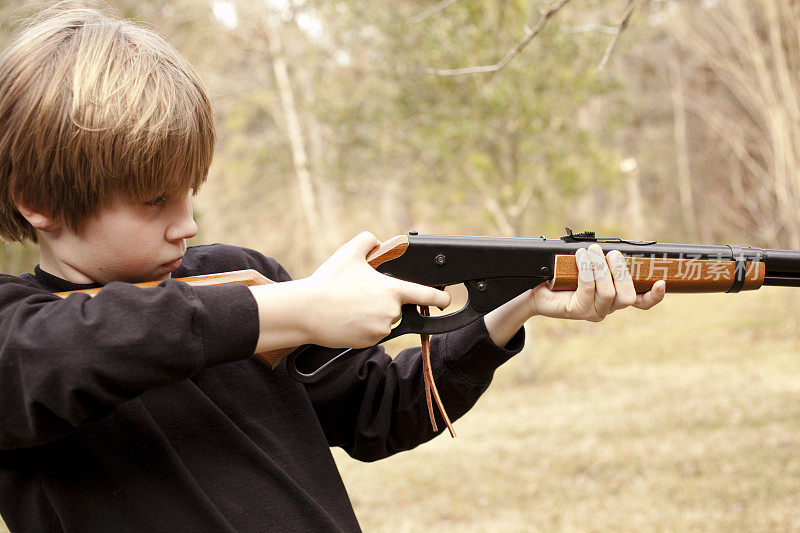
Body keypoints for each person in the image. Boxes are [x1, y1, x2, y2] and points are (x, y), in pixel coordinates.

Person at [0, 6, 666, 532]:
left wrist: (507, 313)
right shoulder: (18, 331)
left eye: (189, 191)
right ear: (41, 204)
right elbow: (74, 348)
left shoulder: (239, 275)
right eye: (154, 202)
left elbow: (381, 410)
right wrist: (295, 308)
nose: (188, 223)